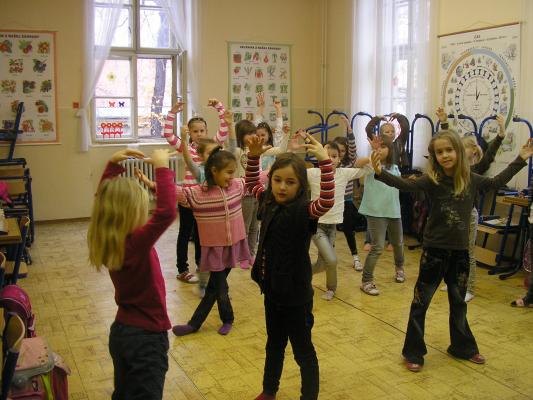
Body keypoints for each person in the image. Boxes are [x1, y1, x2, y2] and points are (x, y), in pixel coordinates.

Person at [370, 129, 533, 372]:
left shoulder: (471, 179)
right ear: (435, 156)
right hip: (434, 253)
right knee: (420, 303)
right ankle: (413, 351)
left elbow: (496, 182)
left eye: (449, 150)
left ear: (458, 151)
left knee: (458, 303)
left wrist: (520, 158)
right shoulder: (432, 180)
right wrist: (380, 172)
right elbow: (405, 184)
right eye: (439, 152)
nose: (445, 155)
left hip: (459, 254)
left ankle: (462, 347)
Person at [245, 133, 334, 400]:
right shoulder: (268, 201)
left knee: (303, 352)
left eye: (290, 182)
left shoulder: (304, 210)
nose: (282, 187)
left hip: (296, 298)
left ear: (301, 185)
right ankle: (269, 390)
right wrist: (253, 157)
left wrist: (325, 162)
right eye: (277, 180)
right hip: (272, 292)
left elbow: (326, 201)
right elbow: (252, 184)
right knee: (274, 345)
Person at [87, 148, 177, 399]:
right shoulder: (136, 243)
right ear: (130, 213)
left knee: (124, 393)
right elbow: (167, 212)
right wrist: (162, 168)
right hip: (146, 339)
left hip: (122, 332)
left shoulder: (108, 238)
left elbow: (103, 201)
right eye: (142, 208)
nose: (146, 212)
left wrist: (112, 165)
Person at [171, 146, 249, 337]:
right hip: (214, 250)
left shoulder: (236, 186)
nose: (232, 176)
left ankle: (198, 324)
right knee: (219, 287)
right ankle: (219, 320)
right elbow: (176, 192)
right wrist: (154, 179)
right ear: (214, 171)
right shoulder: (199, 193)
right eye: (229, 172)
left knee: (216, 287)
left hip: (233, 247)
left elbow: (257, 179)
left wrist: (272, 167)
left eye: (234, 172)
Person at [437, 108, 507, 301]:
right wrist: (444, 122)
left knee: (467, 253)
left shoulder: (476, 169)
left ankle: (470, 288)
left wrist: (501, 133)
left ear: (473, 150)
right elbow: (448, 141)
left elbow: (490, 155)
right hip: (453, 214)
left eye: (462, 148)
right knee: (451, 250)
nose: (456, 151)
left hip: (469, 215)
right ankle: (452, 281)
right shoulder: (453, 169)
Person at [163, 99, 229, 284]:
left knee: (201, 234)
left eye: (202, 131)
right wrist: (172, 113)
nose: (199, 134)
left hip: (205, 198)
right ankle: (182, 269)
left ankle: (201, 264)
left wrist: (219, 107)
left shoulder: (211, 146)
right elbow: (168, 134)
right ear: (189, 133)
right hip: (187, 198)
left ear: (206, 132)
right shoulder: (185, 146)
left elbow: (224, 130)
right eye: (195, 131)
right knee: (185, 233)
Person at [309, 140, 365, 300]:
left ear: (339, 159)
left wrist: (369, 158)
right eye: (326, 155)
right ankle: (331, 288)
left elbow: (366, 170)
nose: (330, 159)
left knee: (322, 264)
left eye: (334, 156)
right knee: (332, 260)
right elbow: (294, 172)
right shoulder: (313, 173)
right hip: (316, 225)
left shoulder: (344, 173)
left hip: (332, 227)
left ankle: (299, 274)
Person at [234, 111, 290, 267]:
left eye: (253, 133)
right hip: (244, 194)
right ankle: (242, 256)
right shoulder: (238, 151)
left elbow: (280, 150)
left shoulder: (259, 149)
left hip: (257, 193)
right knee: (245, 227)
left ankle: (251, 254)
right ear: (240, 136)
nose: (253, 136)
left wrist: (286, 134)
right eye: (248, 134)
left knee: (255, 227)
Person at [356, 135, 405, 295]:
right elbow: (357, 163)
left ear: (390, 150)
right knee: (377, 247)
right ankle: (366, 281)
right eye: (379, 146)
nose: (381, 150)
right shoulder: (371, 165)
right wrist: (373, 153)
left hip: (394, 211)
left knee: (398, 243)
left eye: (384, 147)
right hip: (375, 212)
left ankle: (399, 268)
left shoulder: (395, 168)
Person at [333, 114, 363, 270]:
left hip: (347, 201)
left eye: (343, 151)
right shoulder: (331, 165)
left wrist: (349, 129)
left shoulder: (349, 163)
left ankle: (356, 257)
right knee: (329, 229)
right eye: (337, 151)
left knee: (348, 229)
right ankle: (329, 257)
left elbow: (353, 148)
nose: (340, 153)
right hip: (332, 202)